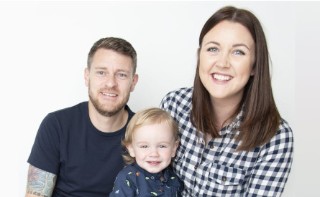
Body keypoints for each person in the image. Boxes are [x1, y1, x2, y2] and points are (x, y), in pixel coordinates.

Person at [160, 6, 293, 197]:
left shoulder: (275, 137)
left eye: (238, 52)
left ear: (255, 65)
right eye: (213, 49)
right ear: (200, 56)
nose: (222, 63)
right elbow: (153, 180)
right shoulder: (173, 105)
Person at [26, 37, 139, 197]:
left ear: (133, 82)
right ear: (87, 76)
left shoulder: (143, 133)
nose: (110, 83)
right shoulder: (57, 125)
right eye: (101, 72)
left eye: (121, 75)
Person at [109, 107, 183, 197]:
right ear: (131, 149)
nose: (154, 154)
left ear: (174, 149)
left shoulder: (174, 178)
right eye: (144, 146)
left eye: (162, 146)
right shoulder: (127, 178)